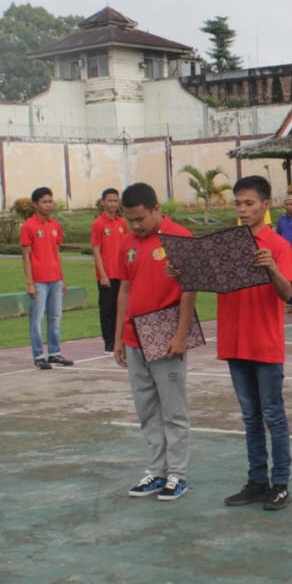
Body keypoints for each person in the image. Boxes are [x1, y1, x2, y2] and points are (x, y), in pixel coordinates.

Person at [217, 176, 292, 512]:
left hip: (264, 343)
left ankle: (280, 483)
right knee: (250, 417)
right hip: (235, 342)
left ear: (266, 205)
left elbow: (287, 293)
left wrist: (271, 269)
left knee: (273, 416)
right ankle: (256, 480)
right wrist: (182, 270)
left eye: (249, 203)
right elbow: (207, 281)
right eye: (238, 203)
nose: (242, 209)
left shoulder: (278, 246)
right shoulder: (227, 245)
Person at [113, 183, 197, 502]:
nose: (135, 226)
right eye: (130, 220)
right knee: (146, 408)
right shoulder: (127, 243)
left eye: (140, 219)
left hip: (165, 332)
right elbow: (124, 289)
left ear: (156, 209)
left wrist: (181, 334)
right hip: (135, 334)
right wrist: (119, 336)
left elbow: (190, 288)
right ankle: (156, 470)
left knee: (173, 409)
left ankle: (177, 474)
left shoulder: (179, 237)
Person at [21, 186, 70, 368]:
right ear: (36, 204)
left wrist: (61, 278)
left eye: (50, 201)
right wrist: (30, 282)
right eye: (44, 202)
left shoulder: (55, 225)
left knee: (55, 317)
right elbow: (25, 255)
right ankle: (38, 355)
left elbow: (57, 252)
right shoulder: (29, 226)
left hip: (55, 279)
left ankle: (55, 352)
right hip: (39, 281)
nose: (48, 205)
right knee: (37, 319)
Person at [91, 188, 126, 352]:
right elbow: (96, 250)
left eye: (115, 200)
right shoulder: (99, 224)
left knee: (121, 307)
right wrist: (102, 274)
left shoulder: (122, 223)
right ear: (103, 202)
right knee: (107, 309)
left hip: (121, 273)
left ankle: (121, 338)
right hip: (106, 274)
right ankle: (109, 341)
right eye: (109, 200)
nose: (112, 203)